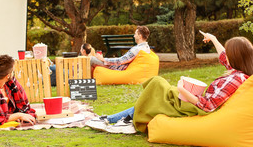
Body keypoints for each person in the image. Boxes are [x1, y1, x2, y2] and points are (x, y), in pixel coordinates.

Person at [87, 33, 253, 134]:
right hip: (194, 103)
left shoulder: (235, 78)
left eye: (229, 52)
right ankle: (117, 119)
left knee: (157, 84)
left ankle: (119, 120)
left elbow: (208, 105)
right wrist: (214, 39)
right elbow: (224, 57)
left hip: (195, 108)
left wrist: (183, 89)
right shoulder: (239, 72)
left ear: (237, 56)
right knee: (155, 90)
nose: (226, 55)